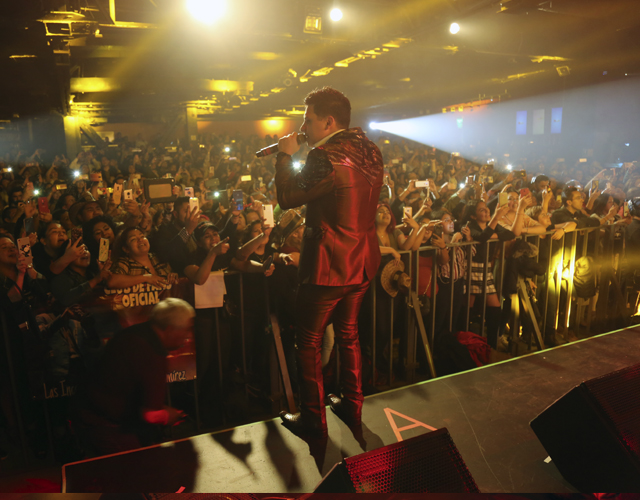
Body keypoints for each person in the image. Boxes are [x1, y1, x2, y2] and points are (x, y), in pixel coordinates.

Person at [275, 86, 383, 437]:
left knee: (308, 342)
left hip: (328, 266)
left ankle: (313, 420)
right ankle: (352, 405)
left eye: (308, 120)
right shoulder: (370, 150)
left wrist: (285, 156)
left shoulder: (325, 156)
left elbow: (288, 196)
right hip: (362, 261)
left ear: (329, 121)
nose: (303, 128)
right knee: (349, 335)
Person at [74, 298, 193, 455]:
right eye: (185, 330)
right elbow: (150, 415)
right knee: (140, 466)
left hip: (93, 410)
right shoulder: (152, 353)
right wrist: (169, 415)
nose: (188, 335)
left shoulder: (139, 332)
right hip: (102, 423)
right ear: (170, 329)